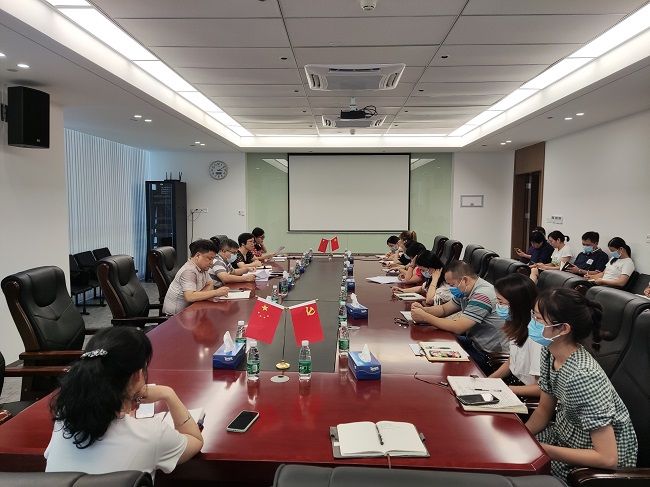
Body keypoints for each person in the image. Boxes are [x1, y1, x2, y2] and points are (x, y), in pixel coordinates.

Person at [45, 327, 203, 475]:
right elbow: (195, 440)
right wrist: (169, 394)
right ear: (137, 375)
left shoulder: (63, 420)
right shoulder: (152, 434)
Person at [525, 288, 637, 481]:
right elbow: (543, 411)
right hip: (563, 438)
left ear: (564, 329)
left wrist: (539, 449)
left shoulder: (582, 376)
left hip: (590, 465)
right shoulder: (549, 351)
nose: (532, 323)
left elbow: (607, 458)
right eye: (533, 316)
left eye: (538, 319)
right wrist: (521, 436)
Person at [410, 261, 508, 373]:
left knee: (439, 363)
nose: (451, 288)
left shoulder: (482, 295)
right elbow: (444, 309)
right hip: (473, 343)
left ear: (464, 280)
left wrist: (425, 317)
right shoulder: (466, 290)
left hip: (488, 356)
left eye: (452, 285)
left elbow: (459, 327)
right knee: (433, 343)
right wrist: (423, 310)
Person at [488, 274, 541, 397]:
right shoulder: (517, 325)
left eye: (500, 302)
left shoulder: (536, 336)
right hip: (514, 384)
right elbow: (512, 361)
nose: (498, 306)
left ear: (517, 304)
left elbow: (541, 388)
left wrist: (504, 389)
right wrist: (488, 381)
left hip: (526, 394)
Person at [162, 239, 229, 315]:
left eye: (213, 259)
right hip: (175, 317)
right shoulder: (188, 271)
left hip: (191, 310)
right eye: (209, 259)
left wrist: (198, 296)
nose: (211, 263)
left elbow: (210, 284)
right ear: (198, 256)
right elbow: (189, 297)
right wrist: (216, 292)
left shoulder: (203, 267)